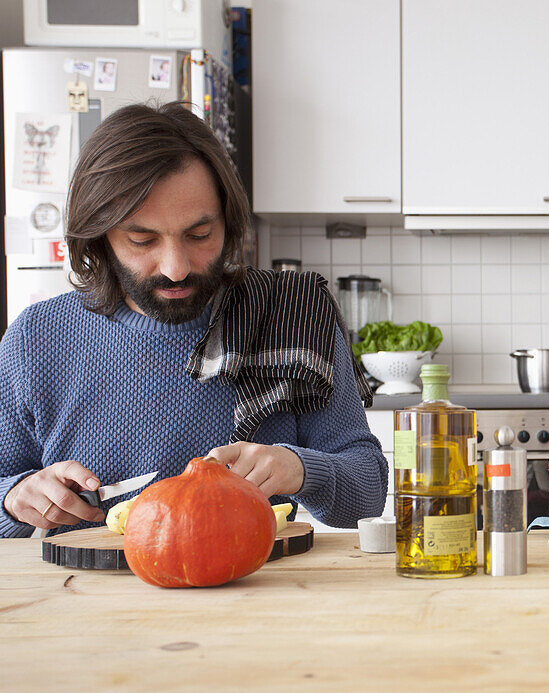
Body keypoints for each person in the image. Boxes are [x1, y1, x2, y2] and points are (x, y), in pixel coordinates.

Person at [0, 102, 388, 538]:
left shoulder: (294, 315)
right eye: (142, 239)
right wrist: (15, 498)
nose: (176, 267)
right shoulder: (36, 338)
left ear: (228, 222)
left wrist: (300, 468)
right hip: (85, 596)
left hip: (252, 595)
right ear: (99, 237)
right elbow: (4, 490)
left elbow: (367, 490)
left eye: (199, 235)